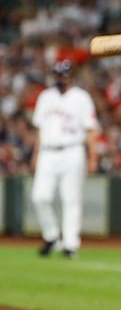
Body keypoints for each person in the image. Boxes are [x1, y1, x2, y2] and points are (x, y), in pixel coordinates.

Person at [30, 59, 99, 258]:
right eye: (58, 74)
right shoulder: (46, 96)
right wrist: (36, 154)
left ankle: (70, 244)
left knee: (71, 199)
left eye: (65, 74)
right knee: (40, 196)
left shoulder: (81, 97)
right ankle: (51, 236)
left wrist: (92, 156)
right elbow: (39, 129)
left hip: (73, 150)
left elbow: (90, 129)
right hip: (47, 151)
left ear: (72, 76)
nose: (61, 78)